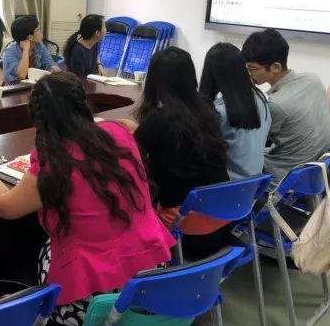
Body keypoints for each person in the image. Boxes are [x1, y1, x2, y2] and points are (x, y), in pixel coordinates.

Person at [0, 72, 174, 326]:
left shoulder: (54, 163)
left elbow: (4, 206)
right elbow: (129, 126)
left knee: (34, 248)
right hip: (152, 275)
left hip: (95, 296)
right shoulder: (120, 132)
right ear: (83, 105)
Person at [134, 47, 230, 256]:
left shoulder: (159, 118)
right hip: (222, 220)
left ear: (154, 80)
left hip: (185, 230)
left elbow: (132, 155)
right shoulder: (207, 107)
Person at [242, 29, 330, 183]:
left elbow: (251, 141)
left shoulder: (276, 105)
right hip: (316, 174)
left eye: (252, 69)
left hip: (282, 180)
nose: (249, 74)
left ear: (275, 67)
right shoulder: (313, 79)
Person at [199, 43, 272, 181]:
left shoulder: (219, 113)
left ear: (209, 73)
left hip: (227, 185)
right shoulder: (261, 99)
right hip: (254, 183)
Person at [2, 15, 60, 82]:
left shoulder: (39, 46)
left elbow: (50, 64)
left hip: (33, 84)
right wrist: (26, 50)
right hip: (15, 85)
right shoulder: (10, 51)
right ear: (30, 37)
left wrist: (54, 69)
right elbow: (21, 75)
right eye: (38, 30)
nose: (41, 31)